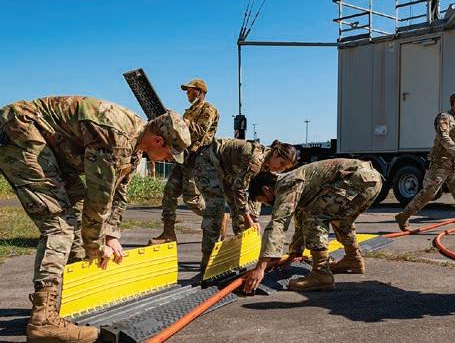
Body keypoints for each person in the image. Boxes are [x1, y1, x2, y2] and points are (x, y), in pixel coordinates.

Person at [0, 96, 190, 342]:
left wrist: (111, 235)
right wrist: (96, 248)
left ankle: (70, 296)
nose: (168, 160)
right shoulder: (117, 138)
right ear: (157, 140)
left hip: (52, 149)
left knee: (77, 210)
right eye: (169, 153)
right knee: (59, 224)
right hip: (21, 131)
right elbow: (98, 202)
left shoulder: (134, 148)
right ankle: (43, 320)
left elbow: (119, 193)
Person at [243, 158, 383, 293]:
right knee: (340, 219)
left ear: (266, 189)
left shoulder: (286, 184)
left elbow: (278, 222)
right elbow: (300, 223)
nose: (267, 204)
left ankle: (321, 274)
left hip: (357, 179)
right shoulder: (294, 184)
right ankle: (353, 259)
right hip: (372, 180)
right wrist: (293, 255)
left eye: (263, 200)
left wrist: (260, 267)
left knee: (315, 215)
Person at [193, 138, 297, 271]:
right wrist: (248, 218)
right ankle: (207, 263)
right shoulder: (256, 160)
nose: (280, 169)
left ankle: (240, 257)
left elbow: (254, 194)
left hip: (229, 171)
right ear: (275, 153)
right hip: (208, 161)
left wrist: (253, 219)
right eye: (281, 164)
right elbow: (239, 189)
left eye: (284, 168)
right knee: (216, 209)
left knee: (243, 217)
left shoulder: (269, 166)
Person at [394, 91, 455, 235]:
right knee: (428, 194)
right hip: (439, 164)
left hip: (453, 166)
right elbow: (443, 138)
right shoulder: (444, 117)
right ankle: (403, 216)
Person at [149, 79, 218, 245]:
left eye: (191, 90)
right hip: (183, 157)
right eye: (187, 91)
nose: (188, 93)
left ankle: (218, 216)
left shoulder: (208, 109)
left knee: (191, 198)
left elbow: (200, 132)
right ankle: (168, 233)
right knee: (169, 193)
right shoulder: (189, 111)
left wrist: (181, 121)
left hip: (197, 158)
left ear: (201, 92)